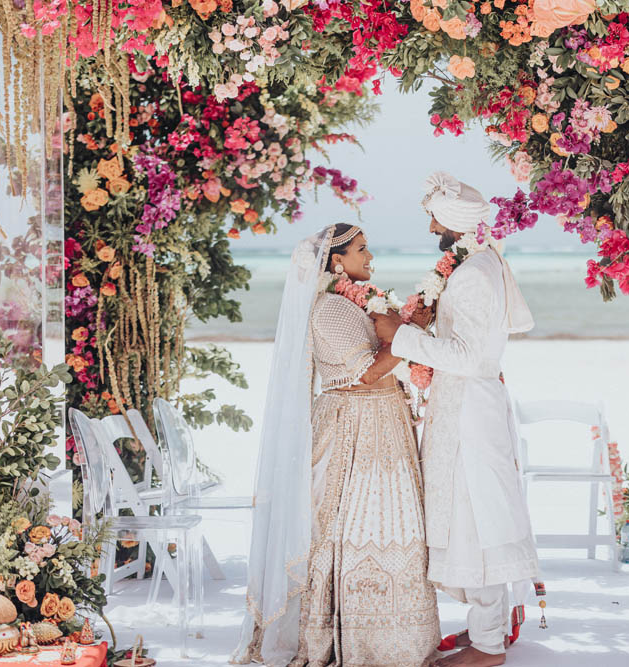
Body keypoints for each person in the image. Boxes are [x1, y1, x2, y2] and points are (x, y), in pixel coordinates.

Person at [231, 224, 440, 667]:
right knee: (352, 529)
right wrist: (413, 333)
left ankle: (400, 635)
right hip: (357, 425)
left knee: (394, 527)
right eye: (361, 249)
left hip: (384, 419)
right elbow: (366, 371)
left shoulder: (356, 302)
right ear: (336, 261)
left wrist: (409, 334)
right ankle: (357, 640)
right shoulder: (330, 309)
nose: (371, 256)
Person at [371, 173, 540, 667]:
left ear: (454, 222)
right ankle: (483, 629)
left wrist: (398, 336)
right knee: (468, 517)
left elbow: (466, 357)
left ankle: (488, 647)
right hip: (464, 408)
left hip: (469, 412)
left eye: (434, 217)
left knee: (476, 520)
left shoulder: (471, 275)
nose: (429, 227)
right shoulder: (477, 264)